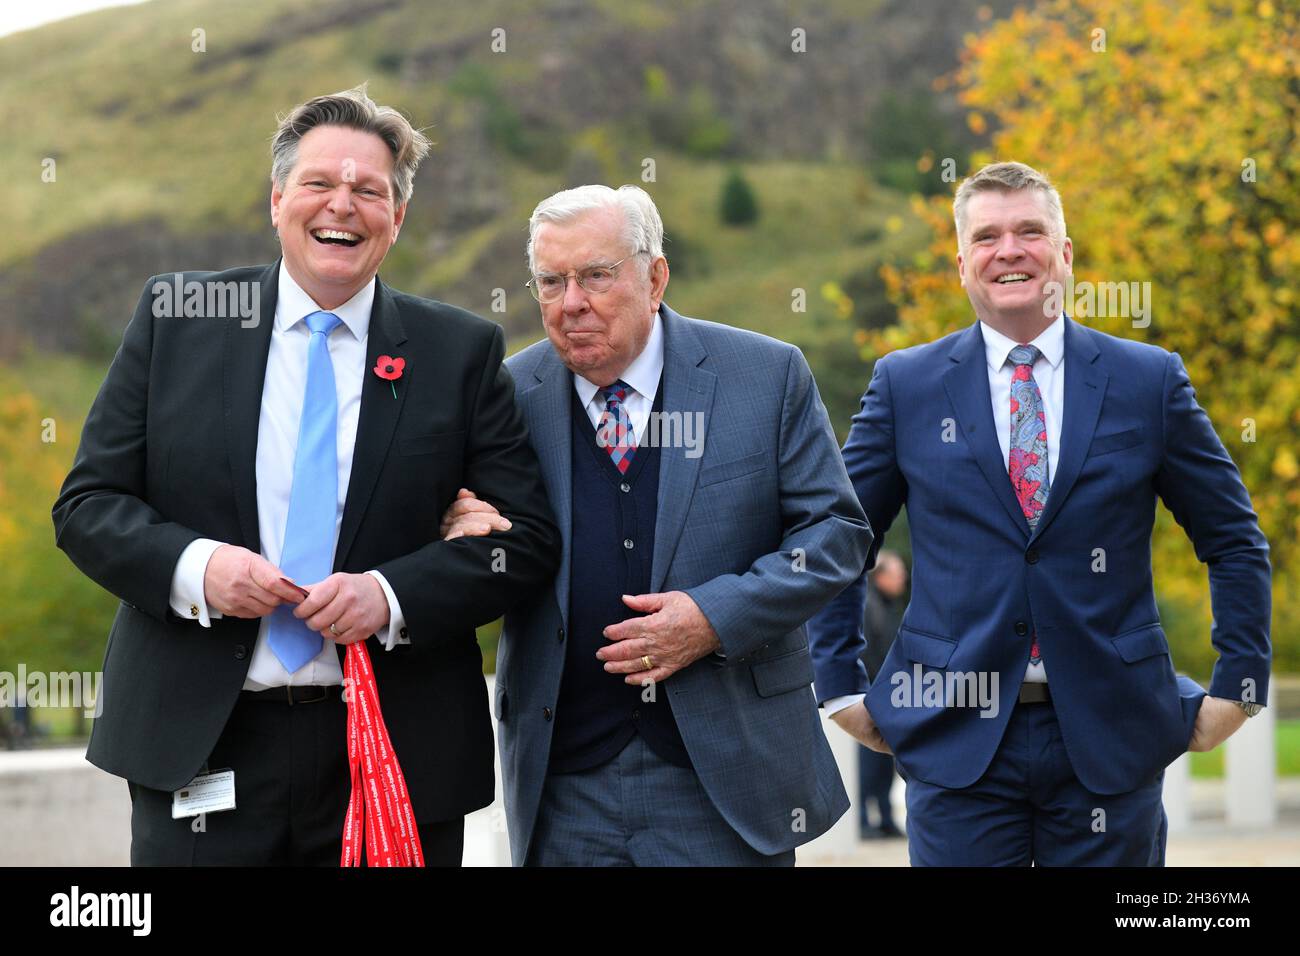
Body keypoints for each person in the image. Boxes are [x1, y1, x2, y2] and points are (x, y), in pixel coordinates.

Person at [51, 86, 560, 866]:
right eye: (321, 183)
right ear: (279, 198)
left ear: (398, 217)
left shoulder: (458, 352)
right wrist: (200, 568)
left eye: (370, 190)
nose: (343, 206)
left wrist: (388, 596)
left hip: (393, 754)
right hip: (199, 749)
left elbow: (522, 544)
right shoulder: (181, 316)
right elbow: (87, 506)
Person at [809, 161, 1271, 866]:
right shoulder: (906, 385)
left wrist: (1241, 685)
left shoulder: (1149, 380)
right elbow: (842, 537)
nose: (1010, 250)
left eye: (1031, 230)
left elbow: (1233, 539)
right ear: (962, 262)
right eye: (988, 236)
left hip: (1112, 737)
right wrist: (837, 683)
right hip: (953, 735)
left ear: (1066, 253)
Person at [441, 184, 873, 865]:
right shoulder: (506, 395)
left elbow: (836, 534)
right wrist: (464, 532)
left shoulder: (766, 375)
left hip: (727, 780)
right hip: (562, 784)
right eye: (550, 282)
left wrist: (714, 616)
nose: (571, 302)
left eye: (596, 276)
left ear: (656, 275)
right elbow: (478, 541)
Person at [857, 550, 906, 840]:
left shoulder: (889, 605)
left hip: (889, 696)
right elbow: (867, 655)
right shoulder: (867, 605)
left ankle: (886, 818)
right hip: (872, 697)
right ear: (882, 575)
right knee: (867, 762)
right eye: (899, 573)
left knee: (885, 762)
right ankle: (863, 821)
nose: (904, 578)